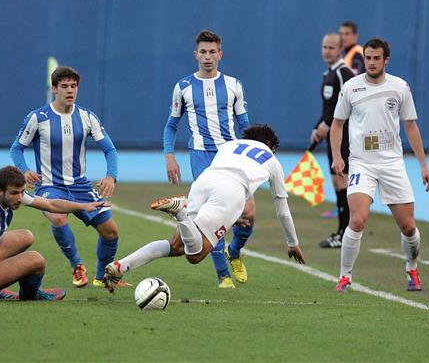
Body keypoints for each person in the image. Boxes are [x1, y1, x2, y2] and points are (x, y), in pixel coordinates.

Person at [104, 124, 306, 293]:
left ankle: (119, 267)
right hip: (231, 192)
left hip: (204, 182)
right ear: (270, 145)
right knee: (195, 255)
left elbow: (220, 184)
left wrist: (228, 216)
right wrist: (292, 243)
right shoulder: (271, 159)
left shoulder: (230, 145)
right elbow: (282, 209)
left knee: (176, 246)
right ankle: (181, 212)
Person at [330, 38, 429, 292]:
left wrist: (423, 165)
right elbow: (337, 124)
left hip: (392, 164)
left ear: (386, 60)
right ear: (362, 59)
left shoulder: (399, 87)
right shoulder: (351, 88)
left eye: (377, 58)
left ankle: (412, 268)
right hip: (361, 164)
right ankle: (345, 276)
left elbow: (410, 125)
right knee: (357, 220)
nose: (372, 62)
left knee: (408, 227)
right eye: (368, 58)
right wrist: (337, 156)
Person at [10, 66, 121, 289]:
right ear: (54, 89)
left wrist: (111, 176)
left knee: (111, 232)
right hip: (49, 186)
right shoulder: (38, 118)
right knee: (58, 217)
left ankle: (102, 277)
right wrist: (24, 170)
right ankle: (77, 265)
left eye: (73, 86)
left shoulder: (87, 116)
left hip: (80, 185)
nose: (70, 90)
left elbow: (109, 149)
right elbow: (16, 148)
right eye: (64, 86)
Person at [0, 166, 110, 305]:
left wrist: (84, 206)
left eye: (22, 192)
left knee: (26, 236)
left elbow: (50, 204)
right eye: (14, 193)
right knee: (36, 260)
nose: (20, 198)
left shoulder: (0, 194)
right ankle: (31, 294)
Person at [163, 29, 254, 289]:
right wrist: (170, 156)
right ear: (195, 55)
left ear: (220, 55)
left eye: (212, 51)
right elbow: (171, 125)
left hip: (232, 156)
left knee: (249, 214)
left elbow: (244, 123)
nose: (207, 56)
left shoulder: (234, 85)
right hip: (201, 156)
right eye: (203, 52)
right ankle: (223, 275)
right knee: (214, 215)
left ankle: (234, 251)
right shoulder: (184, 87)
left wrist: (256, 152)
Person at [310, 33, 354, 248]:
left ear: (340, 49)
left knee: (343, 180)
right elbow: (328, 108)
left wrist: (327, 124)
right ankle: (341, 231)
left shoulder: (343, 73)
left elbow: (348, 102)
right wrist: (318, 126)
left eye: (331, 47)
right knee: (338, 182)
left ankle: (347, 233)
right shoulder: (328, 73)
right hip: (331, 134)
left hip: (344, 136)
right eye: (324, 46)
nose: (326, 51)